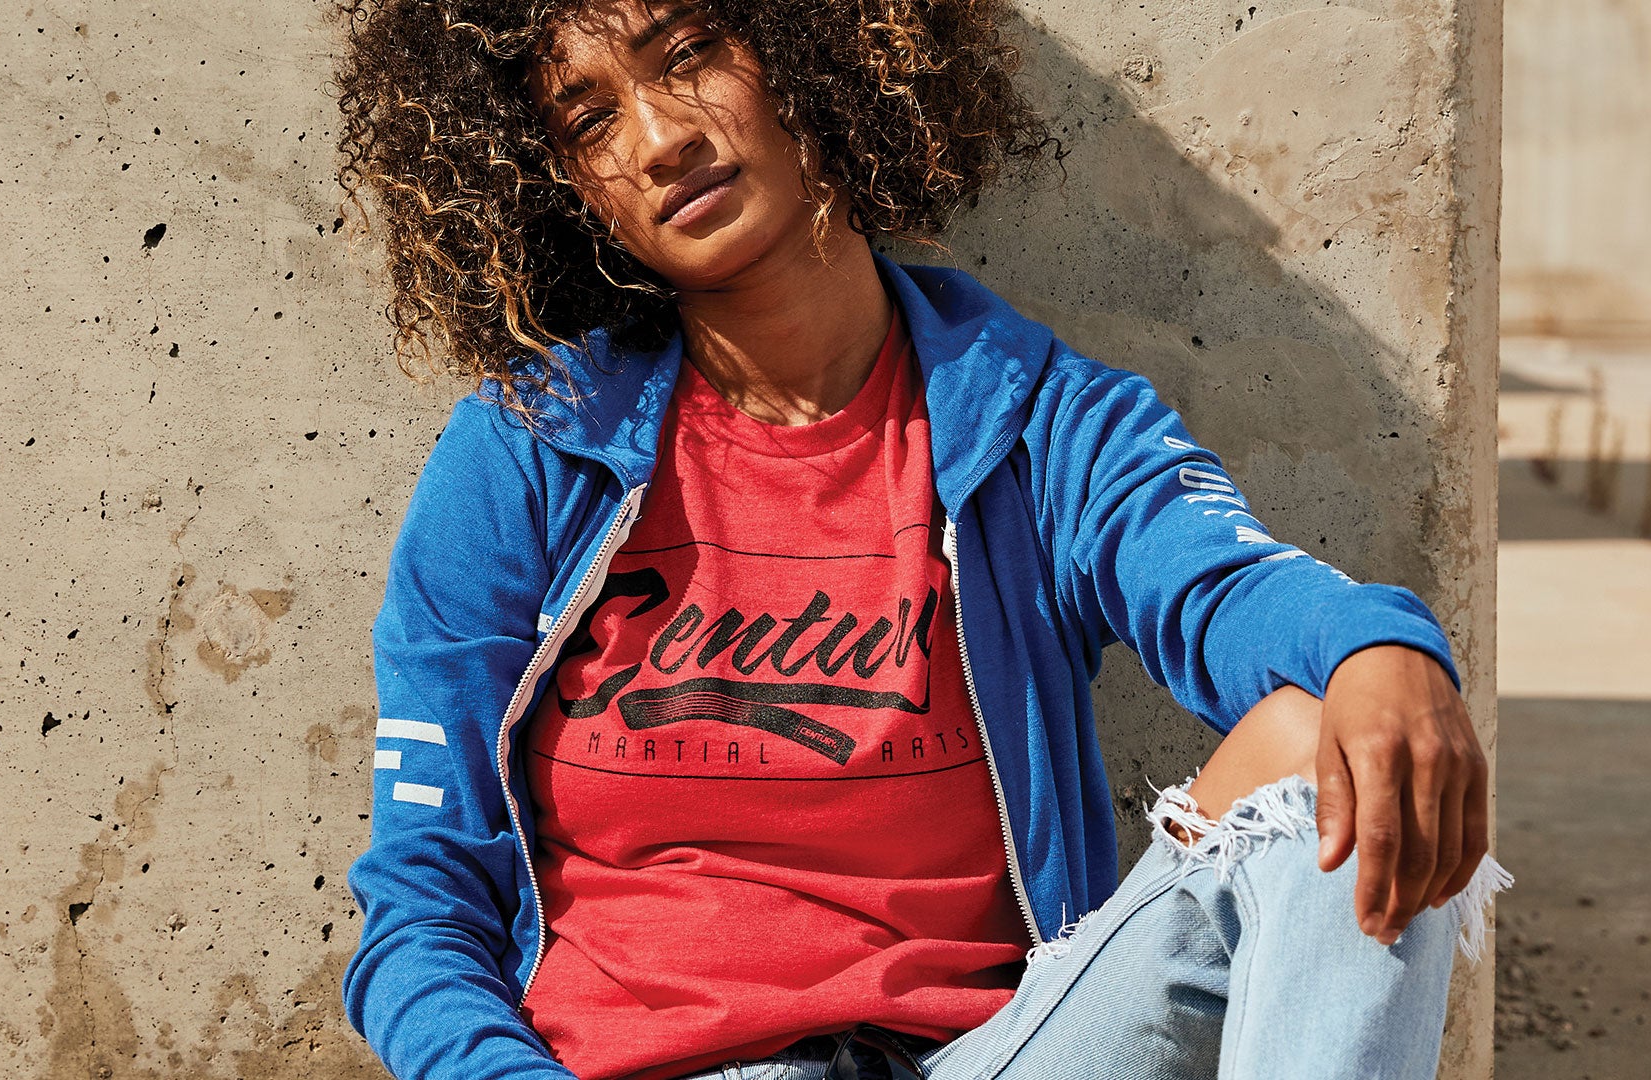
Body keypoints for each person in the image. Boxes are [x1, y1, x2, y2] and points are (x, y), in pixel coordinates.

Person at [330, 1, 1511, 1077]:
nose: (657, 140)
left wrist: (1376, 647)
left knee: (1328, 751)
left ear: (808, 42)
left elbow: (1220, 587)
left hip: (990, 1059)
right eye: (588, 118)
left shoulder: (1034, 419)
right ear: (561, 188)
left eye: (687, 55)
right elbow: (423, 908)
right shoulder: (531, 452)